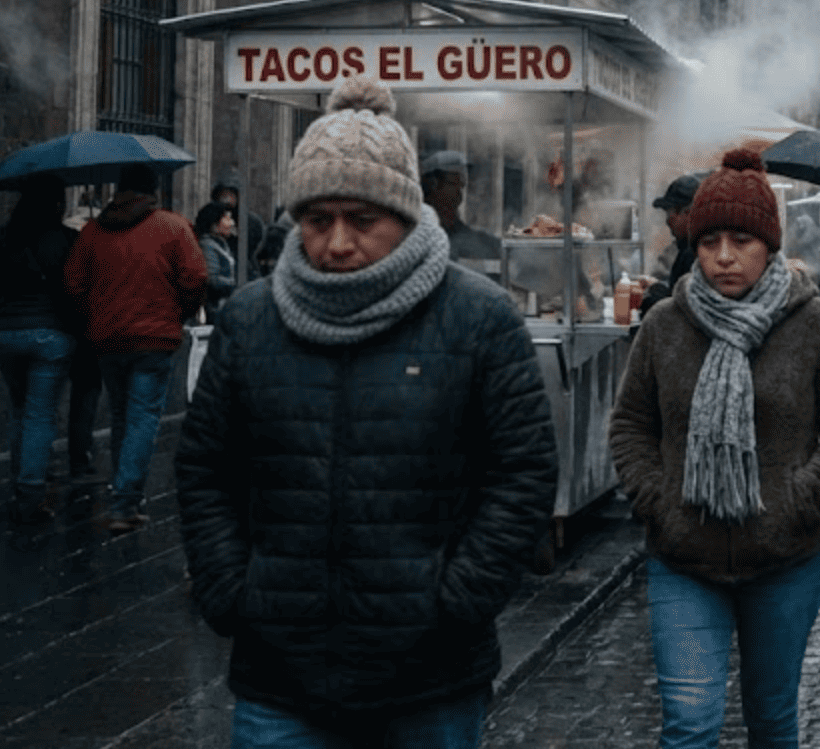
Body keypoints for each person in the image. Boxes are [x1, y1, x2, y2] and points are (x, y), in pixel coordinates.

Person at [176, 75, 557, 747]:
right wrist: (232, 591)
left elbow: (522, 474)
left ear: (405, 217)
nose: (338, 243)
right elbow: (207, 467)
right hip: (279, 671)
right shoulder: (250, 320)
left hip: (431, 673)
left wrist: (457, 599)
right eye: (318, 220)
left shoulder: (478, 318)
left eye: (363, 220)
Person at [609, 148, 820, 749]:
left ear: (770, 245)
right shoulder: (665, 325)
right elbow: (629, 425)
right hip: (684, 560)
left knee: (772, 721)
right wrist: (661, 501)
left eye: (741, 240)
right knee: (690, 723)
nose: (723, 256)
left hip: (784, 560)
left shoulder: (818, 324)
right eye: (709, 242)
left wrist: (798, 499)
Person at [64, 163, 206, 533]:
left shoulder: (94, 232)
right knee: (143, 416)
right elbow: (196, 277)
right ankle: (125, 501)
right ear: (152, 191)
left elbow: (74, 283)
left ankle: (125, 490)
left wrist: (95, 315)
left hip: (107, 340)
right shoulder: (173, 227)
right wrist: (179, 312)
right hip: (154, 339)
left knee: (122, 416)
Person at [1, 175, 79, 525]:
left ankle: (20, 483)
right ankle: (31, 493)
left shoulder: (5, 237)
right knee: (39, 415)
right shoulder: (62, 239)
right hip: (49, 336)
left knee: (21, 410)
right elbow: (71, 291)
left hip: (6, 334)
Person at [638, 171, 704, 319]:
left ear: (688, 213)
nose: (667, 222)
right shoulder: (687, 248)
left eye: (670, 214)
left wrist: (653, 298)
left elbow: (685, 312)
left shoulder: (693, 253)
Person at [420, 151, 502, 261]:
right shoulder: (417, 238)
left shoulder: (482, 242)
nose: (459, 191)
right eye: (453, 183)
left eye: (461, 184)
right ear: (432, 184)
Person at [209, 176, 266, 277]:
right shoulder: (211, 219)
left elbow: (253, 244)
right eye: (223, 196)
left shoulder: (249, 220)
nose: (226, 200)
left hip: (243, 270)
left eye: (230, 195)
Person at [194, 201, 239, 324]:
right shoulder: (207, 246)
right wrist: (235, 285)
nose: (232, 223)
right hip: (216, 308)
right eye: (227, 218)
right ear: (214, 224)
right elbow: (212, 279)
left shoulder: (221, 243)